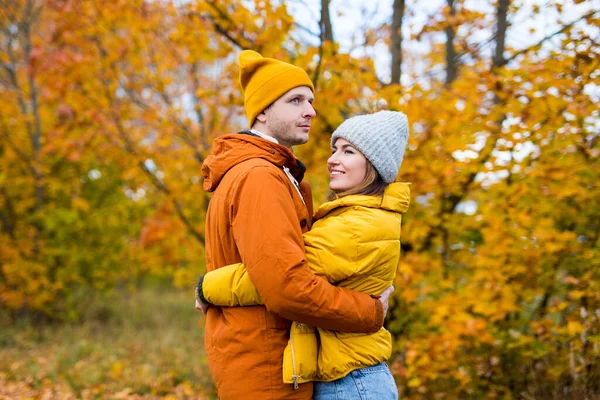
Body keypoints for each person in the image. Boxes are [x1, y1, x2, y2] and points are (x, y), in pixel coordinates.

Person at [198, 50, 393, 399]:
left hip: (274, 359)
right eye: (296, 100)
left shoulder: (277, 175)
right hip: (267, 367)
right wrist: (371, 311)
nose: (311, 111)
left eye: (312, 101)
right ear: (262, 111)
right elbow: (286, 286)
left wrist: (208, 287)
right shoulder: (260, 177)